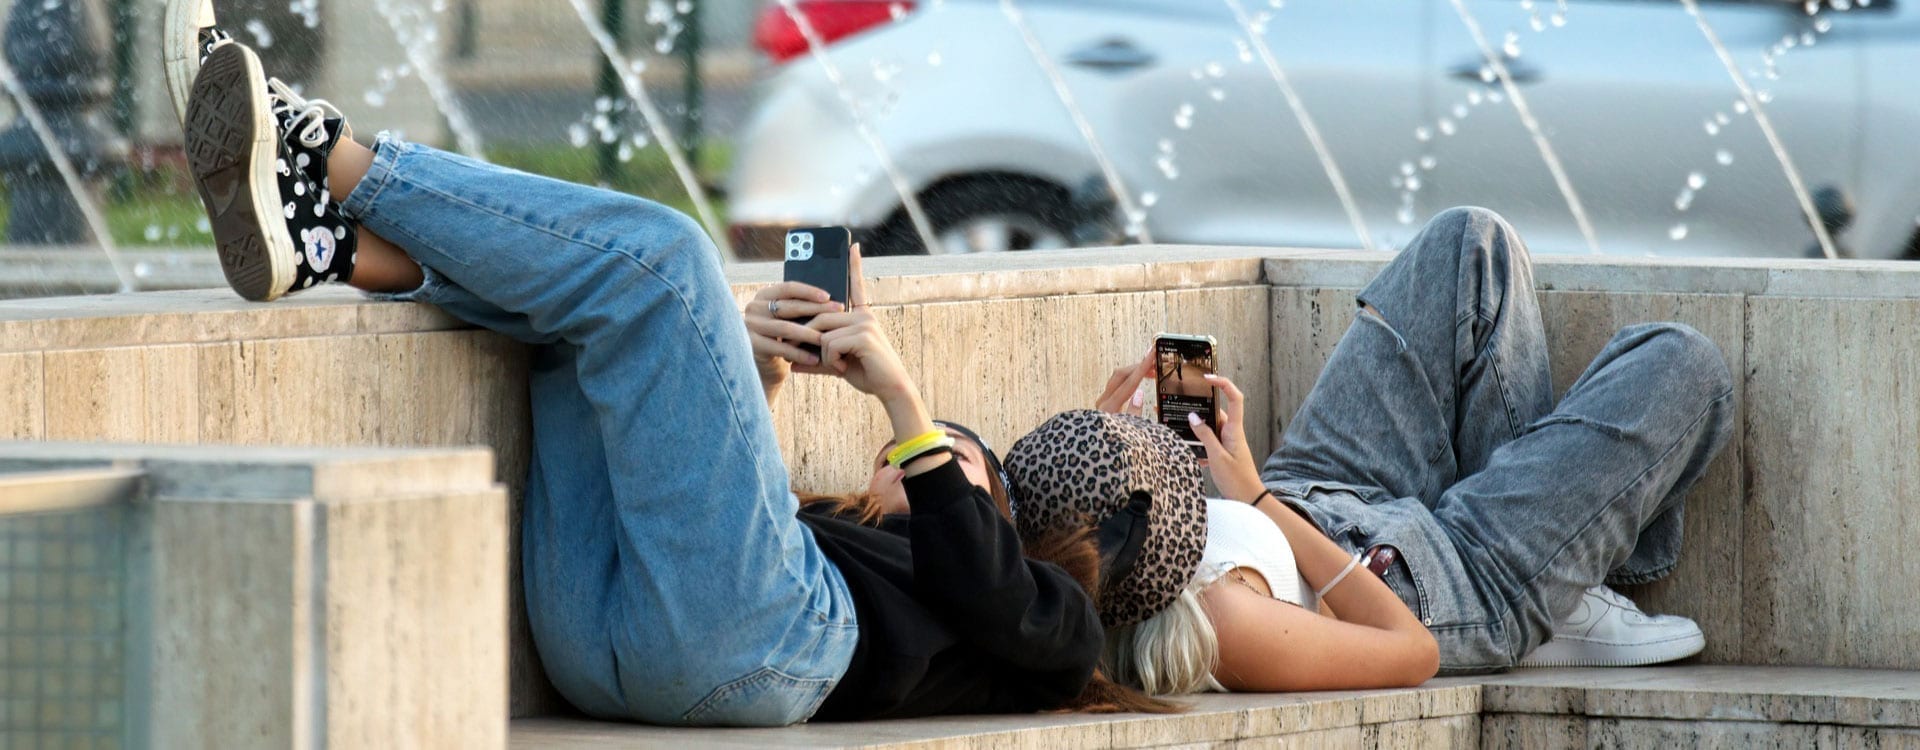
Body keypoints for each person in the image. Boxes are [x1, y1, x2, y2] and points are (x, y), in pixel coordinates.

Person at [164, 13, 1170, 723]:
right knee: (569, 324)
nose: (915, 458)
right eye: (917, 450)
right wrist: (755, 386)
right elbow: (700, 523)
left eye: (953, 459)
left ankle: (319, 147)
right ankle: (330, 252)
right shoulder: (833, 539)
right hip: (611, 651)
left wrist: (907, 403)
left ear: (994, 509)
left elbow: (986, 590)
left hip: (759, 658)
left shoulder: (1048, 619)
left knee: (673, 259)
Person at [1005, 207, 1734, 695]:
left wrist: (1117, 447)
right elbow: (1408, 648)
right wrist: (1255, 498)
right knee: (1684, 366)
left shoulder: (1086, 541)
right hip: (1431, 582)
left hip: (1309, 489)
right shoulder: (1221, 624)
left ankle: (1557, 569)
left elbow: (1093, 523)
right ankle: (1551, 591)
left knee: (1467, 242)